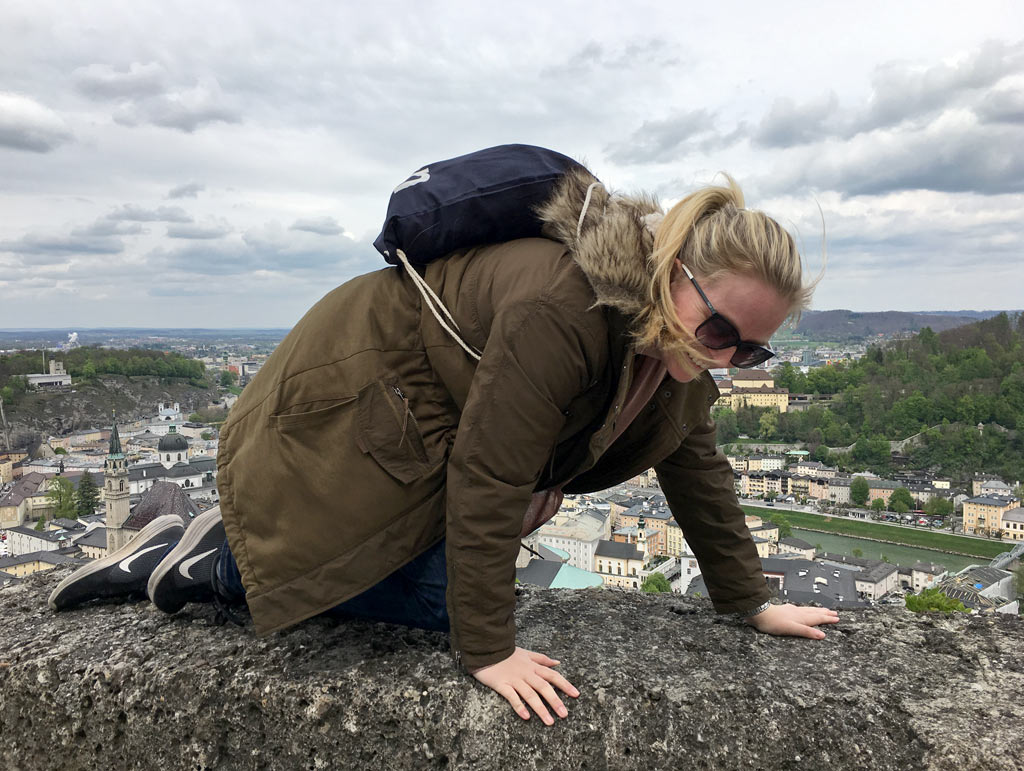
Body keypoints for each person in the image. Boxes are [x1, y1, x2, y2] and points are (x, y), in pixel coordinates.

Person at [50, 165, 838, 726]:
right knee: (442, 602)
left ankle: (218, 549)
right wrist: (488, 651)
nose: (726, 357)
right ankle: (205, 562)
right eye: (720, 330)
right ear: (675, 271)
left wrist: (751, 599)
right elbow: (492, 471)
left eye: (752, 350)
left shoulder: (674, 352)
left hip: (420, 436)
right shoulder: (563, 306)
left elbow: (698, 468)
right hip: (352, 406)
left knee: (451, 586)